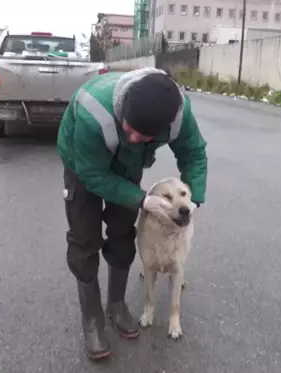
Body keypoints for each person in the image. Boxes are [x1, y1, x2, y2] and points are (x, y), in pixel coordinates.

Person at [56, 67, 208, 360]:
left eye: (143, 135)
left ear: (164, 128)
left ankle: (116, 304)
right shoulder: (94, 111)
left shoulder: (177, 113)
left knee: (123, 230)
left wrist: (195, 199)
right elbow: (93, 175)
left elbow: (194, 154)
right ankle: (92, 320)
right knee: (84, 238)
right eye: (128, 128)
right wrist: (142, 200)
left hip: (127, 164)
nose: (133, 135)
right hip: (82, 162)